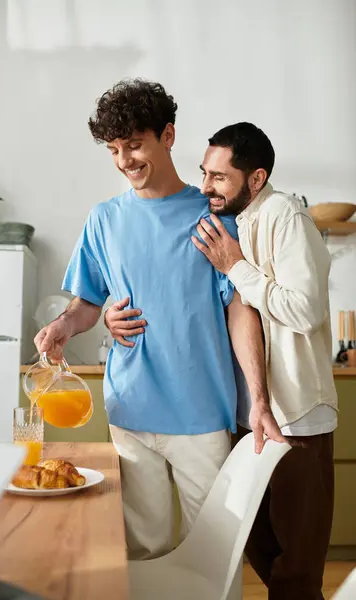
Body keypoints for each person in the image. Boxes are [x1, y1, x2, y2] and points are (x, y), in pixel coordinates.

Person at [34, 80, 284, 561]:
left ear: (167, 136)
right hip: (130, 409)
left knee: (212, 555)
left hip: (201, 412)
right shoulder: (104, 219)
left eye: (134, 144)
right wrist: (65, 325)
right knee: (144, 554)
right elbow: (88, 300)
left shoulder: (213, 215)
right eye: (114, 149)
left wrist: (258, 399)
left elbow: (239, 309)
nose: (125, 159)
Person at [111, 121, 337, 597]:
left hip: (296, 416)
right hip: (248, 416)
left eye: (219, 177)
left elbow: (306, 309)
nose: (205, 186)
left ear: (255, 179)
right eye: (204, 173)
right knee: (257, 551)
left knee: (296, 567)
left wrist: (235, 267)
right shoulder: (235, 219)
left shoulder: (285, 217)